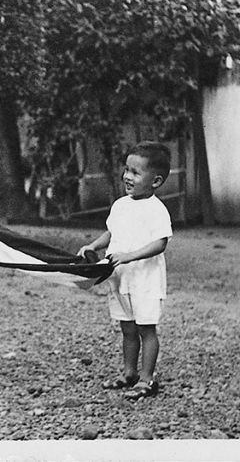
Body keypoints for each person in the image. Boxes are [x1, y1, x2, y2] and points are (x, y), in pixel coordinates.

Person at [77, 141, 173, 400]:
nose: (127, 176)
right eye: (127, 170)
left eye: (136, 172)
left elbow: (160, 243)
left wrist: (129, 256)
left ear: (155, 181)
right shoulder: (121, 205)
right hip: (120, 278)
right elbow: (113, 232)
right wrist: (93, 245)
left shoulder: (156, 209)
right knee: (127, 328)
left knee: (146, 329)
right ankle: (129, 372)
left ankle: (146, 379)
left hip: (145, 279)